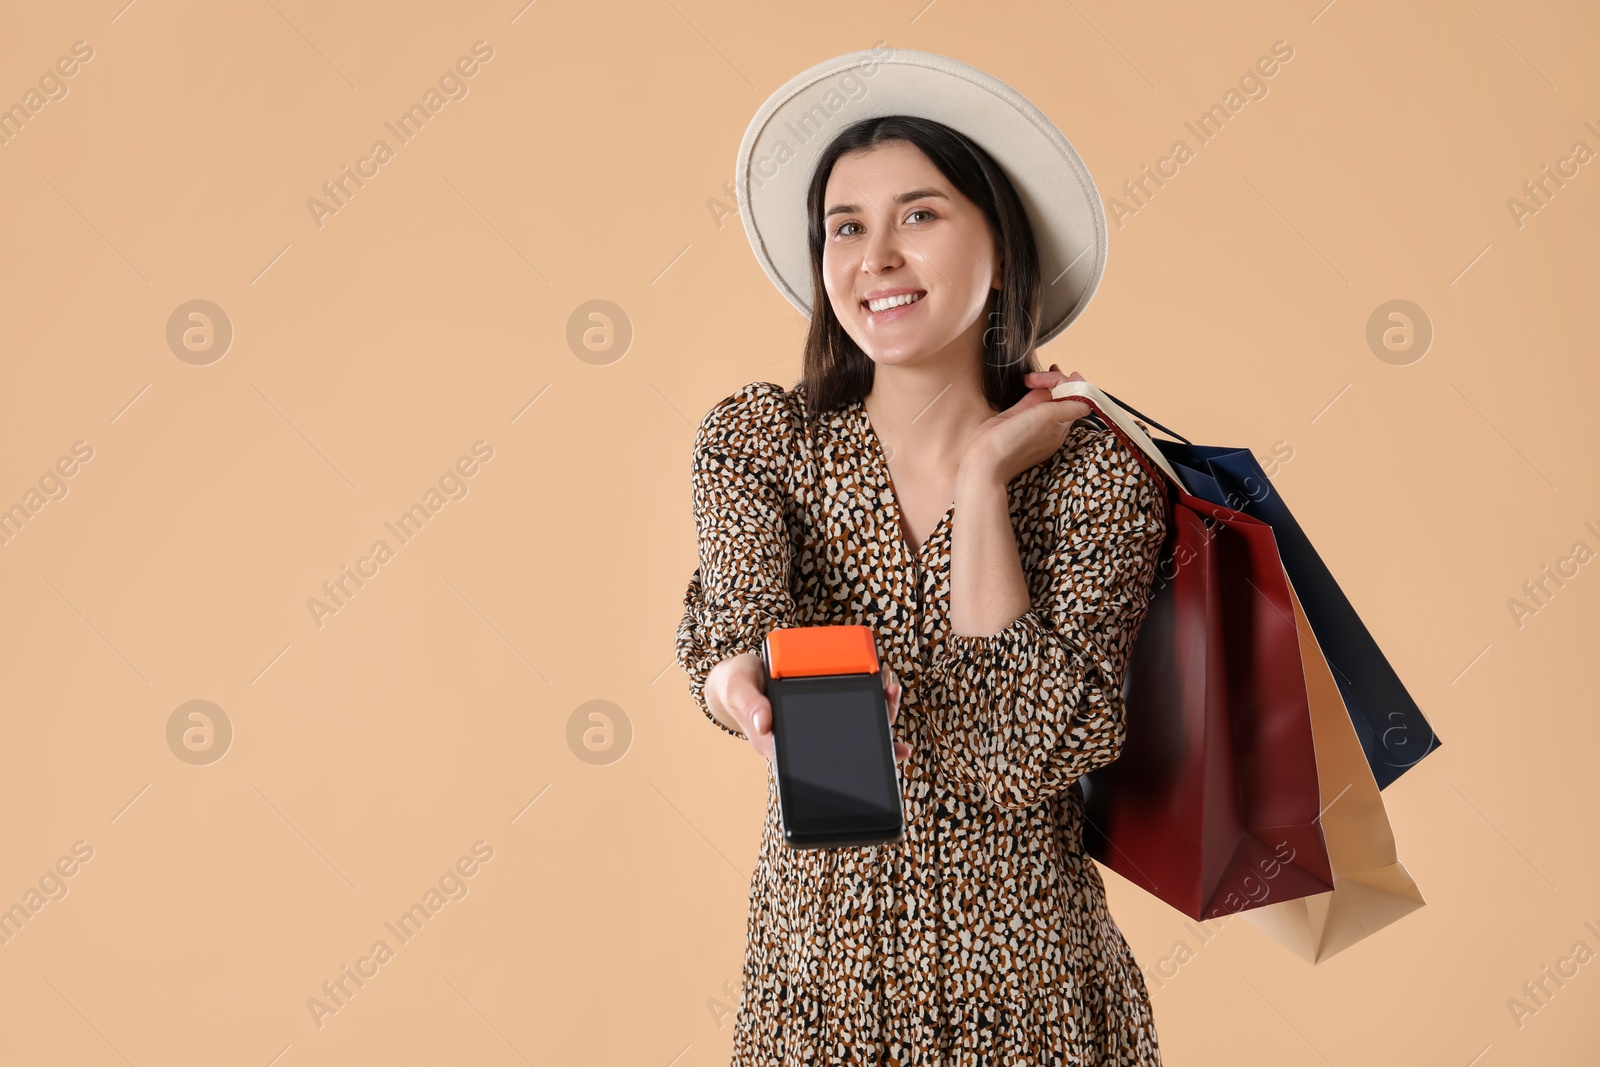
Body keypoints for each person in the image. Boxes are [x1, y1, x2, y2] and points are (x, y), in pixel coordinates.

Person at [676, 50, 1169, 1067]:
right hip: (818, 995)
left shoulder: (1097, 480)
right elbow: (737, 634)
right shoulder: (761, 444)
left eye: (919, 215)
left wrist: (987, 478)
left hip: (1034, 999)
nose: (876, 257)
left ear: (1002, 242)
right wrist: (739, 685)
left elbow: (1022, 749)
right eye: (845, 226)